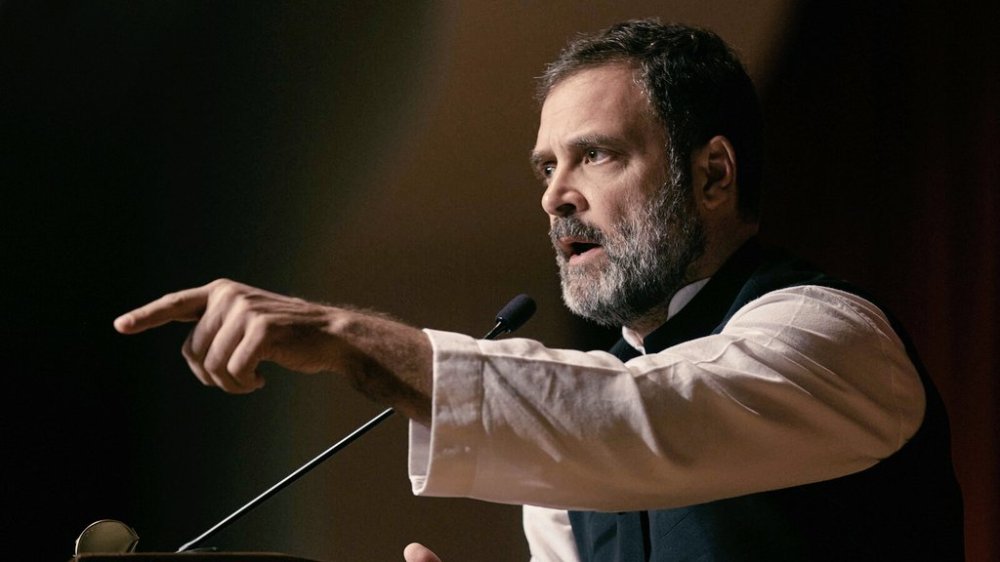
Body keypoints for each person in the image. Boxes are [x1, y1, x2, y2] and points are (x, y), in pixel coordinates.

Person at [115, 19, 965, 561]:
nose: (555, 195)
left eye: (595, 154)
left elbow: (646, 416)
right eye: (545, 167)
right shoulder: (568, 452)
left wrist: (349, 337)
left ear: (713, 175)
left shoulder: (832, 337)